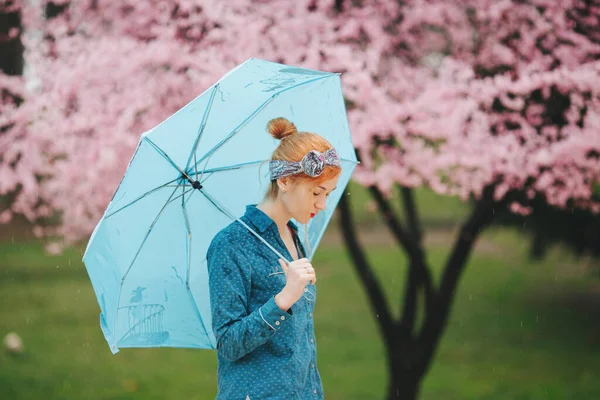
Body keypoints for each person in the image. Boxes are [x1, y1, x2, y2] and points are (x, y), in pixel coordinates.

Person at [206, 117, 342, 399]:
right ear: (284, 180)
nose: (322, 204)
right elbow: (229, 344)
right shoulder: (231, 244)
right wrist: (283, 299)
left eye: (328, 193)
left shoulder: (294, 236)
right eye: (316, 192)